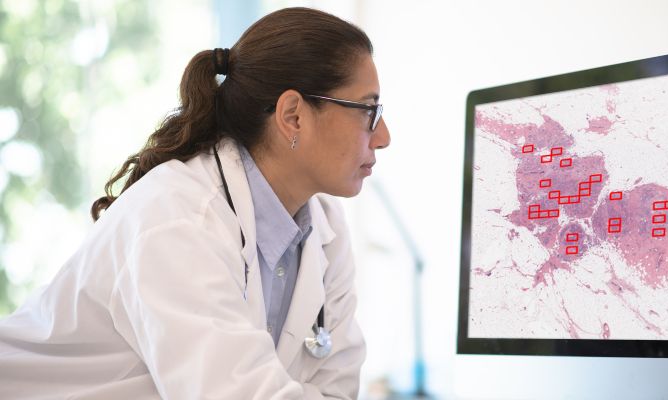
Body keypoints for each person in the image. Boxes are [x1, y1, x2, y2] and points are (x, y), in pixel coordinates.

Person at [0, 7, 390, 399]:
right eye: (369, 112)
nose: (383, 136)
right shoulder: (178, 218)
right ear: (293, 116)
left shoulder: (325, 229)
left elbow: (337, 388)